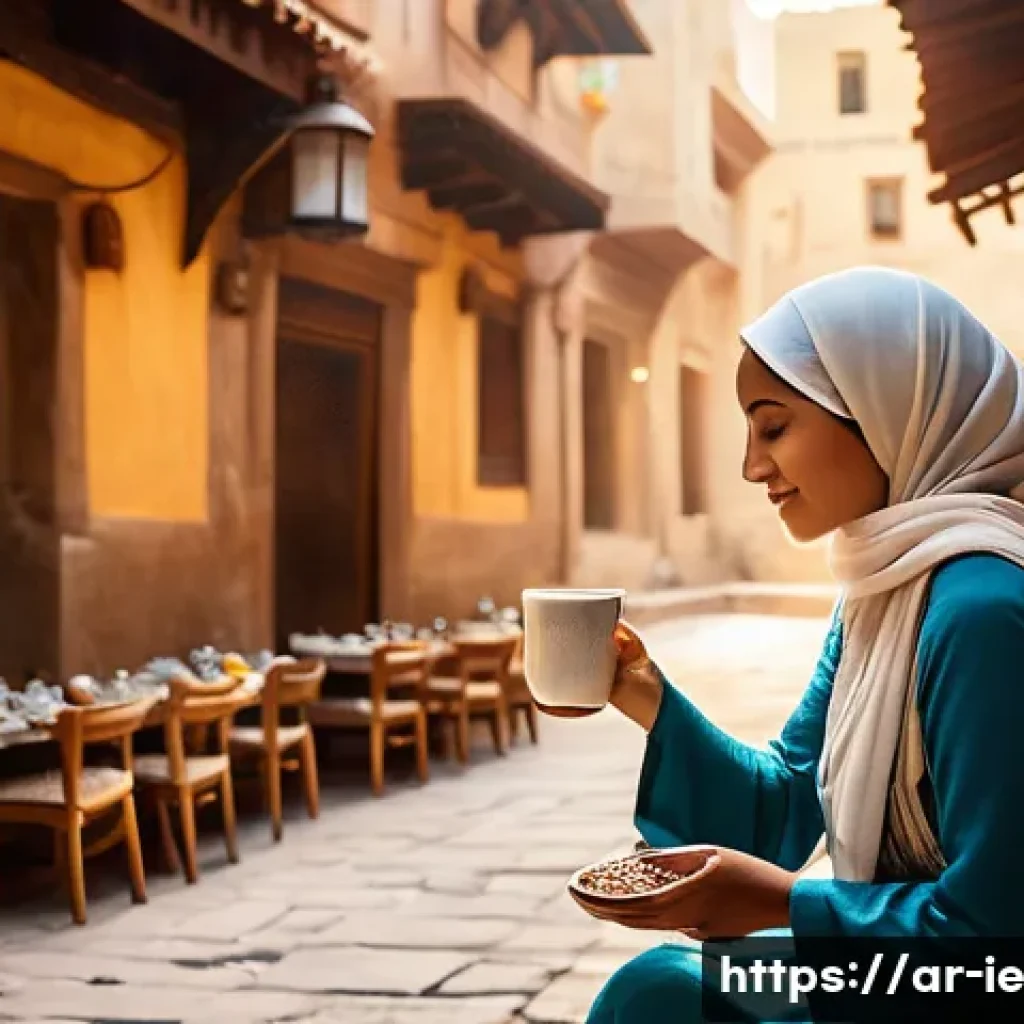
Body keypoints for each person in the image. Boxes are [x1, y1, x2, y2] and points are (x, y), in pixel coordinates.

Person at [582, 267, 1024, 1022]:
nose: (754, 467)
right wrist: (641, 691)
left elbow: (995, 943)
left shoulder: (980, 613)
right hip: (901, 972)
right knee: (660, 987)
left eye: (774, 426)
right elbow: (786, 803)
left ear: (882, 410)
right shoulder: (881, 597)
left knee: (661, 997)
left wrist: (787, 904)